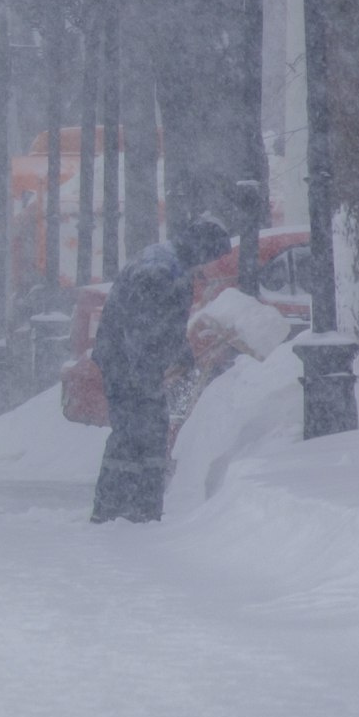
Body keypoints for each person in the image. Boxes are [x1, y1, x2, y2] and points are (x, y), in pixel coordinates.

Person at [89, 216, 230, 524]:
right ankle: (125, 509)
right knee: (136, 432)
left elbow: (166, 323)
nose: (209, 266)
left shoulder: (171, 263)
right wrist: (146, 374)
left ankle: (131, 507)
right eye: (212, 256)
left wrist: (182, 354)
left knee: (144, 430)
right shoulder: (159, 270)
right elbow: (141, 327)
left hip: (128, 361)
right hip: (127, 364)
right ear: (202, 249)